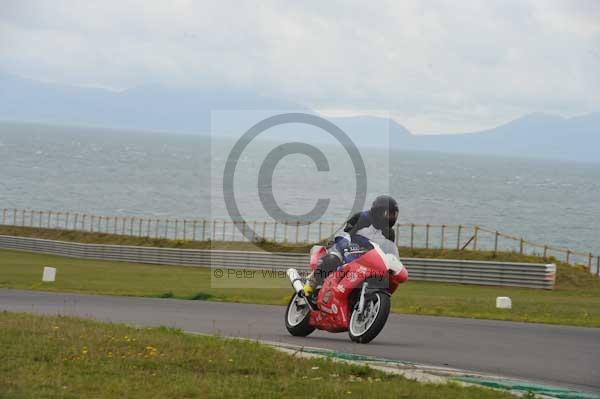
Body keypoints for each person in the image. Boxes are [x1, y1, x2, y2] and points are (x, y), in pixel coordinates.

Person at [303, 195, 399, 296]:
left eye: (394, 215)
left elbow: (388, 252)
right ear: (379, 211)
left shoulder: (390, 233)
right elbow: (344, 232)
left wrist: (393, 264)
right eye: (389, 214)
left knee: (383, 277)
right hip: (345, 250)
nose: (392, 217)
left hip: (367, 260)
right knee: (332, 259)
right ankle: (309, 286)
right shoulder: (363, 218)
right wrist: (345, 244)